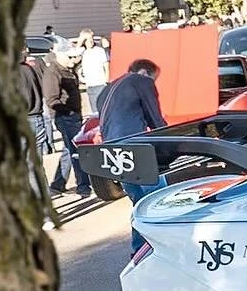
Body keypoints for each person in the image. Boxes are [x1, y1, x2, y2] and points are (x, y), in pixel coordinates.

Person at [99, 58, 168, 206]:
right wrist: (171, 143)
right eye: (153, 80)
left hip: (111, 147)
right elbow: (155, 119)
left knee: (138, 200)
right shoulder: (141, 81)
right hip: (133, 143)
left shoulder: (107, 89)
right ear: (144, 72)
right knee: (158, 195)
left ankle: (139, 227)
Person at [42, 43, 92, 198]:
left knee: (68, 149)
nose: (73, 60)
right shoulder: (53, 72)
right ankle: (83, 186)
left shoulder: (67, 70)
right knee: (76, 151)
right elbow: (52, 100)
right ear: (60, 55)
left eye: (74, 57)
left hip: (73, 115)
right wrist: (68, 112)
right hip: (65, 117)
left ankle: (58, 184)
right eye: (70, 57)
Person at [79, 34, 110, 115]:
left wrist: (106, 79)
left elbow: (106, 65)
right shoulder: (83, 53)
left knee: (104, 108)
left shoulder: (99, 50)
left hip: (100, 83)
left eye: (92, 39)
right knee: (95, 111)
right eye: (88, 40)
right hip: (90, 85)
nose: (91, 41)